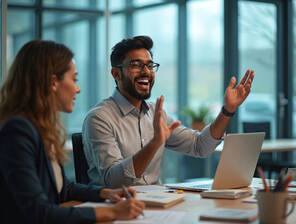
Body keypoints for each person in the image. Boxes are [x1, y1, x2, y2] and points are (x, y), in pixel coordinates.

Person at [0, 40, 144, 224]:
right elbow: (38, 212)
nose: (78, 89)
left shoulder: (38, 128)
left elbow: (64, 188)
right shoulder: (17, 131)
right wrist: (111, 212)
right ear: (53, 82)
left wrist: (106, 193)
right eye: (74, 80)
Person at [82, 35, 255, 188]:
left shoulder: (155, 113)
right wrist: (155, 142)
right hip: (118, 208)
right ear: (116, 74)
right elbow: (114, 181)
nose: (146, 72)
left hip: (156, 205)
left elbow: (201, 146)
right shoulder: (99, 118)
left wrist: (228, 110)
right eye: (136, 65)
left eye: (150, 66)